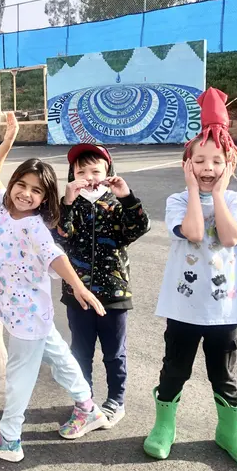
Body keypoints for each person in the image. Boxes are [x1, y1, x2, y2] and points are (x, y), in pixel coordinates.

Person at [0, 113, 108, 463]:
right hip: (24, 310)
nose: (26, 194)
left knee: (20, 374)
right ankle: (87, 407)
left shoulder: (34, 227)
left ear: (45, 199)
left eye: (37, 191)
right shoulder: (4, 206)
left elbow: (55, 256)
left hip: (28, 315)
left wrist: (78, 286)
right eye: (22, 185)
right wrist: (9, 139)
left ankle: (9, 438)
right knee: (60, 357)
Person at [144, 87, 237, 467]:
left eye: (216, 161)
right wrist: (194, 190)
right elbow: (194, 232)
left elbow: (229, 238)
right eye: (199, 161)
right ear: (187, 164)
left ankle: (229, 432)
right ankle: (164, 427)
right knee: (174, 369)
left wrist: (220, 196)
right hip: (183, 307)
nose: (208, 168)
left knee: (222, 374)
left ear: (229, 164)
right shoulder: (178, 201)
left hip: (225, 309)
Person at [55, 144, 151, 427]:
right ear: (72, 175)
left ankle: (116, 401)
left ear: (108, 172)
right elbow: (60, 236)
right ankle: (84, 402)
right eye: (80, 172)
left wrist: (127, 197)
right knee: (80, 352)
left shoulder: (116, 202)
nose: (89, 177)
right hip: (78, 294)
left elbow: (139, 227)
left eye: (95, 171)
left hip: (114, 293)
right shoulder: (71, 204)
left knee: (114, 353)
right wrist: (67, 202)